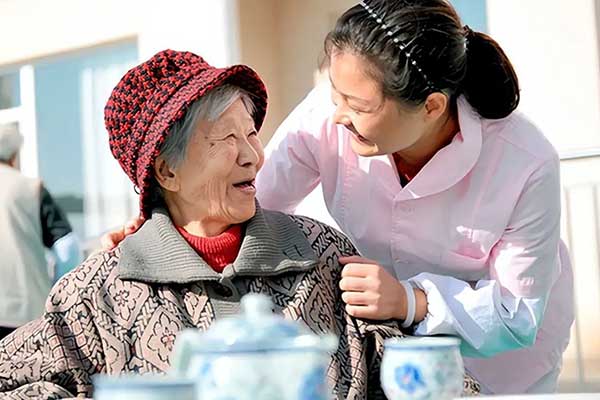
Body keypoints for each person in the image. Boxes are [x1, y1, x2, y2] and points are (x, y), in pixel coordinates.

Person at [103, 1, 574, 394]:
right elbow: (240, 199)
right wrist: (160, 227)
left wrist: (410, 301)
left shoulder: (524, 162)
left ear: (431, 106)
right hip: (388, 355)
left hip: (503, 367)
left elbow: (517, 315)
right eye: (335, 95)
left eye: (360, 106)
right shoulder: (329, 114)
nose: (339, 117)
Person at [0, 50, 480, 399]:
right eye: (225, 139)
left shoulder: (323, 253)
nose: (253, 155)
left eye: (251, 133)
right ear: (166, 172)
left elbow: (419, 376)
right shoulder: (96, 294)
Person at [0, 124, 81, 341]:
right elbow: (67, 247)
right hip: (23, 314)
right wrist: (57, 294)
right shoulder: (28, 188)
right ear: (14, 156)